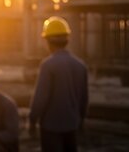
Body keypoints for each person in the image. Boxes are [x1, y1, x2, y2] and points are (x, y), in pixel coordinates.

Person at [29, 16, 88, 152]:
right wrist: (81, 121)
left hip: (51, 127)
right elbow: (84, 99)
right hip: (72, 125)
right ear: (67, 40)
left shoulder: (48, 66)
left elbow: (40, 98)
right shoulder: (80, 66)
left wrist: (32, 120)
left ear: (48, 41)